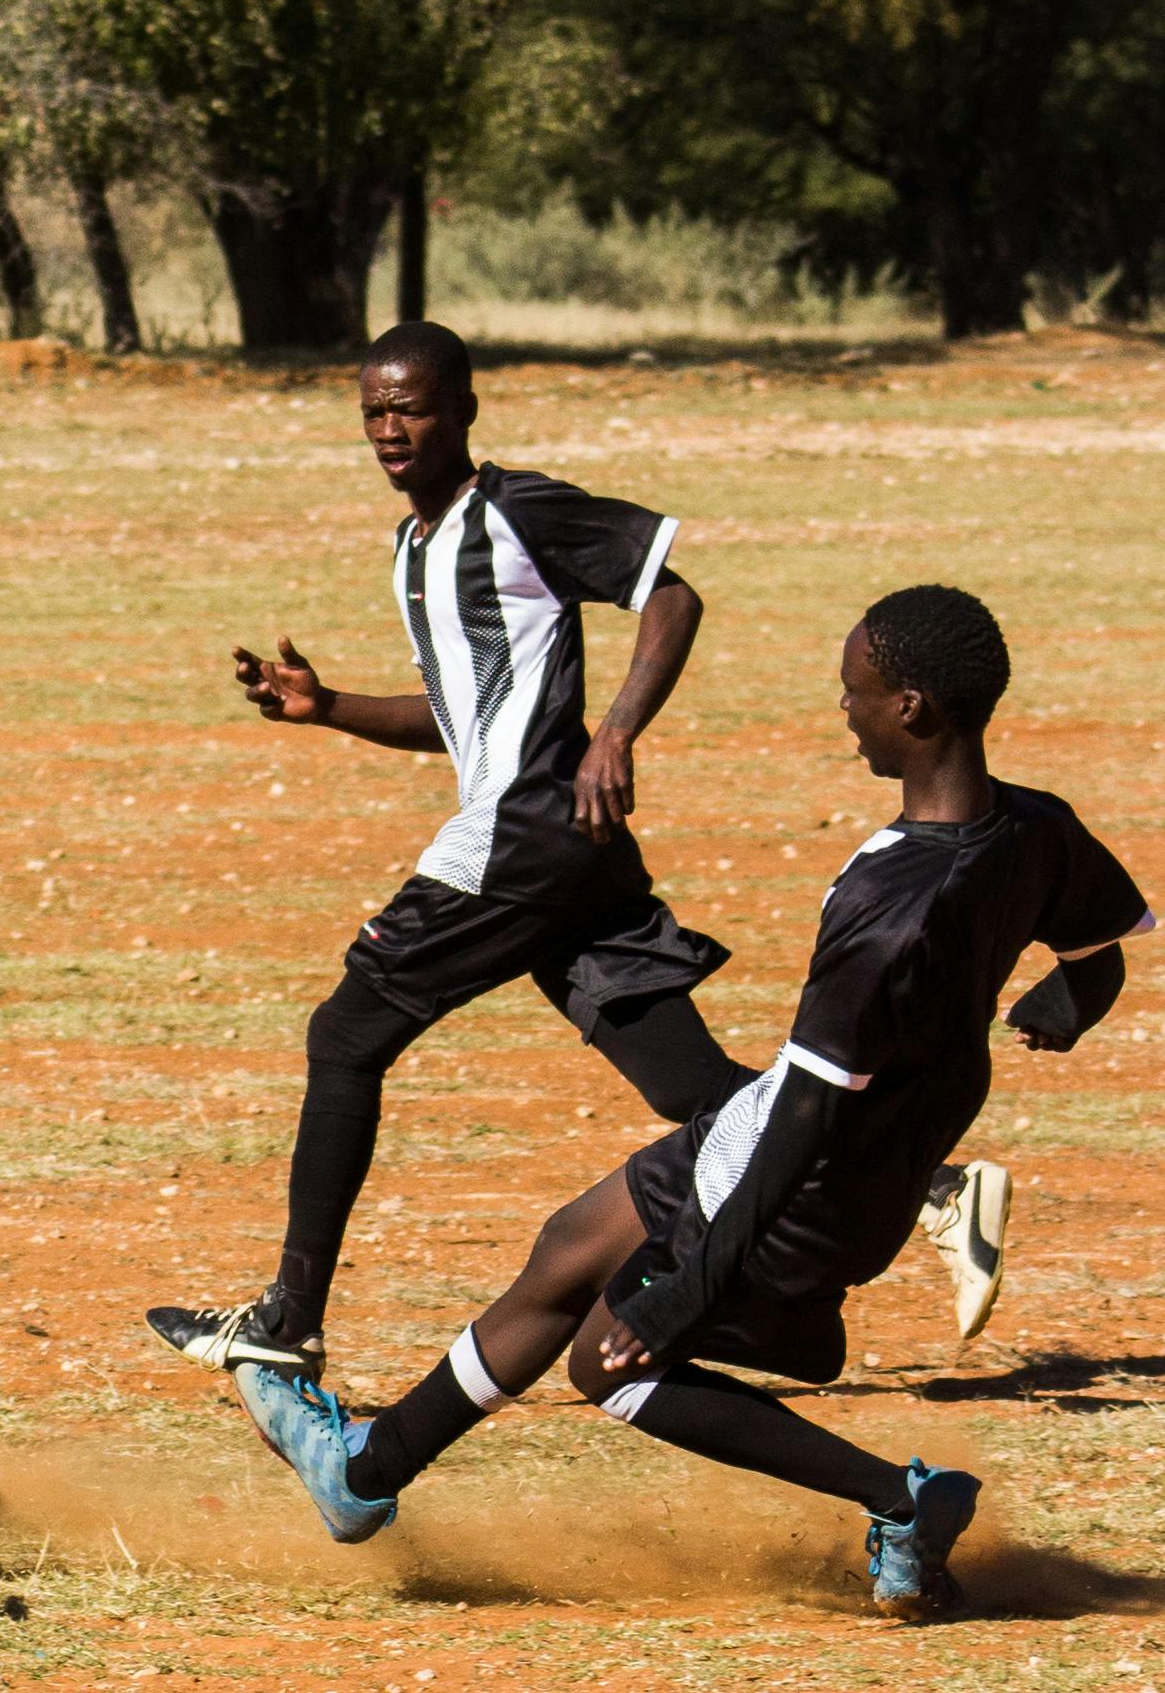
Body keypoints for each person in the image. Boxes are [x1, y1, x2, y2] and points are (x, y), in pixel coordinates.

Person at [236, 586, 1144, 1615]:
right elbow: (1096, 950)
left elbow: (807, 1119)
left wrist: (691, 1289)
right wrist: (1063, 1006)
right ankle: (366, 1469)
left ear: (914, 709)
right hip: (866, 1137)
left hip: (809, 1169)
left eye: (858, 692)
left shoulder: (887, 903)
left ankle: (902, 1497)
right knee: (572, 1242)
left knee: (613, 1361)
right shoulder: (1033, 827)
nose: (843, 709)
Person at [142, 319, 1007, 1381]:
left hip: (529, 837)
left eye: (409, 407)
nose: (388, 428)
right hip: (569, 857)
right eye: (372, 410)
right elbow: (462, 717)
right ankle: (929, 1182)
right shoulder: (415, 548)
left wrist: (614, 733)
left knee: (344, 1035)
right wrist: (328, 709)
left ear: (462, 409)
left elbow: (673, 596)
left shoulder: (518, 509)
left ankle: (288, 1316)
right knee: (689, 1086)